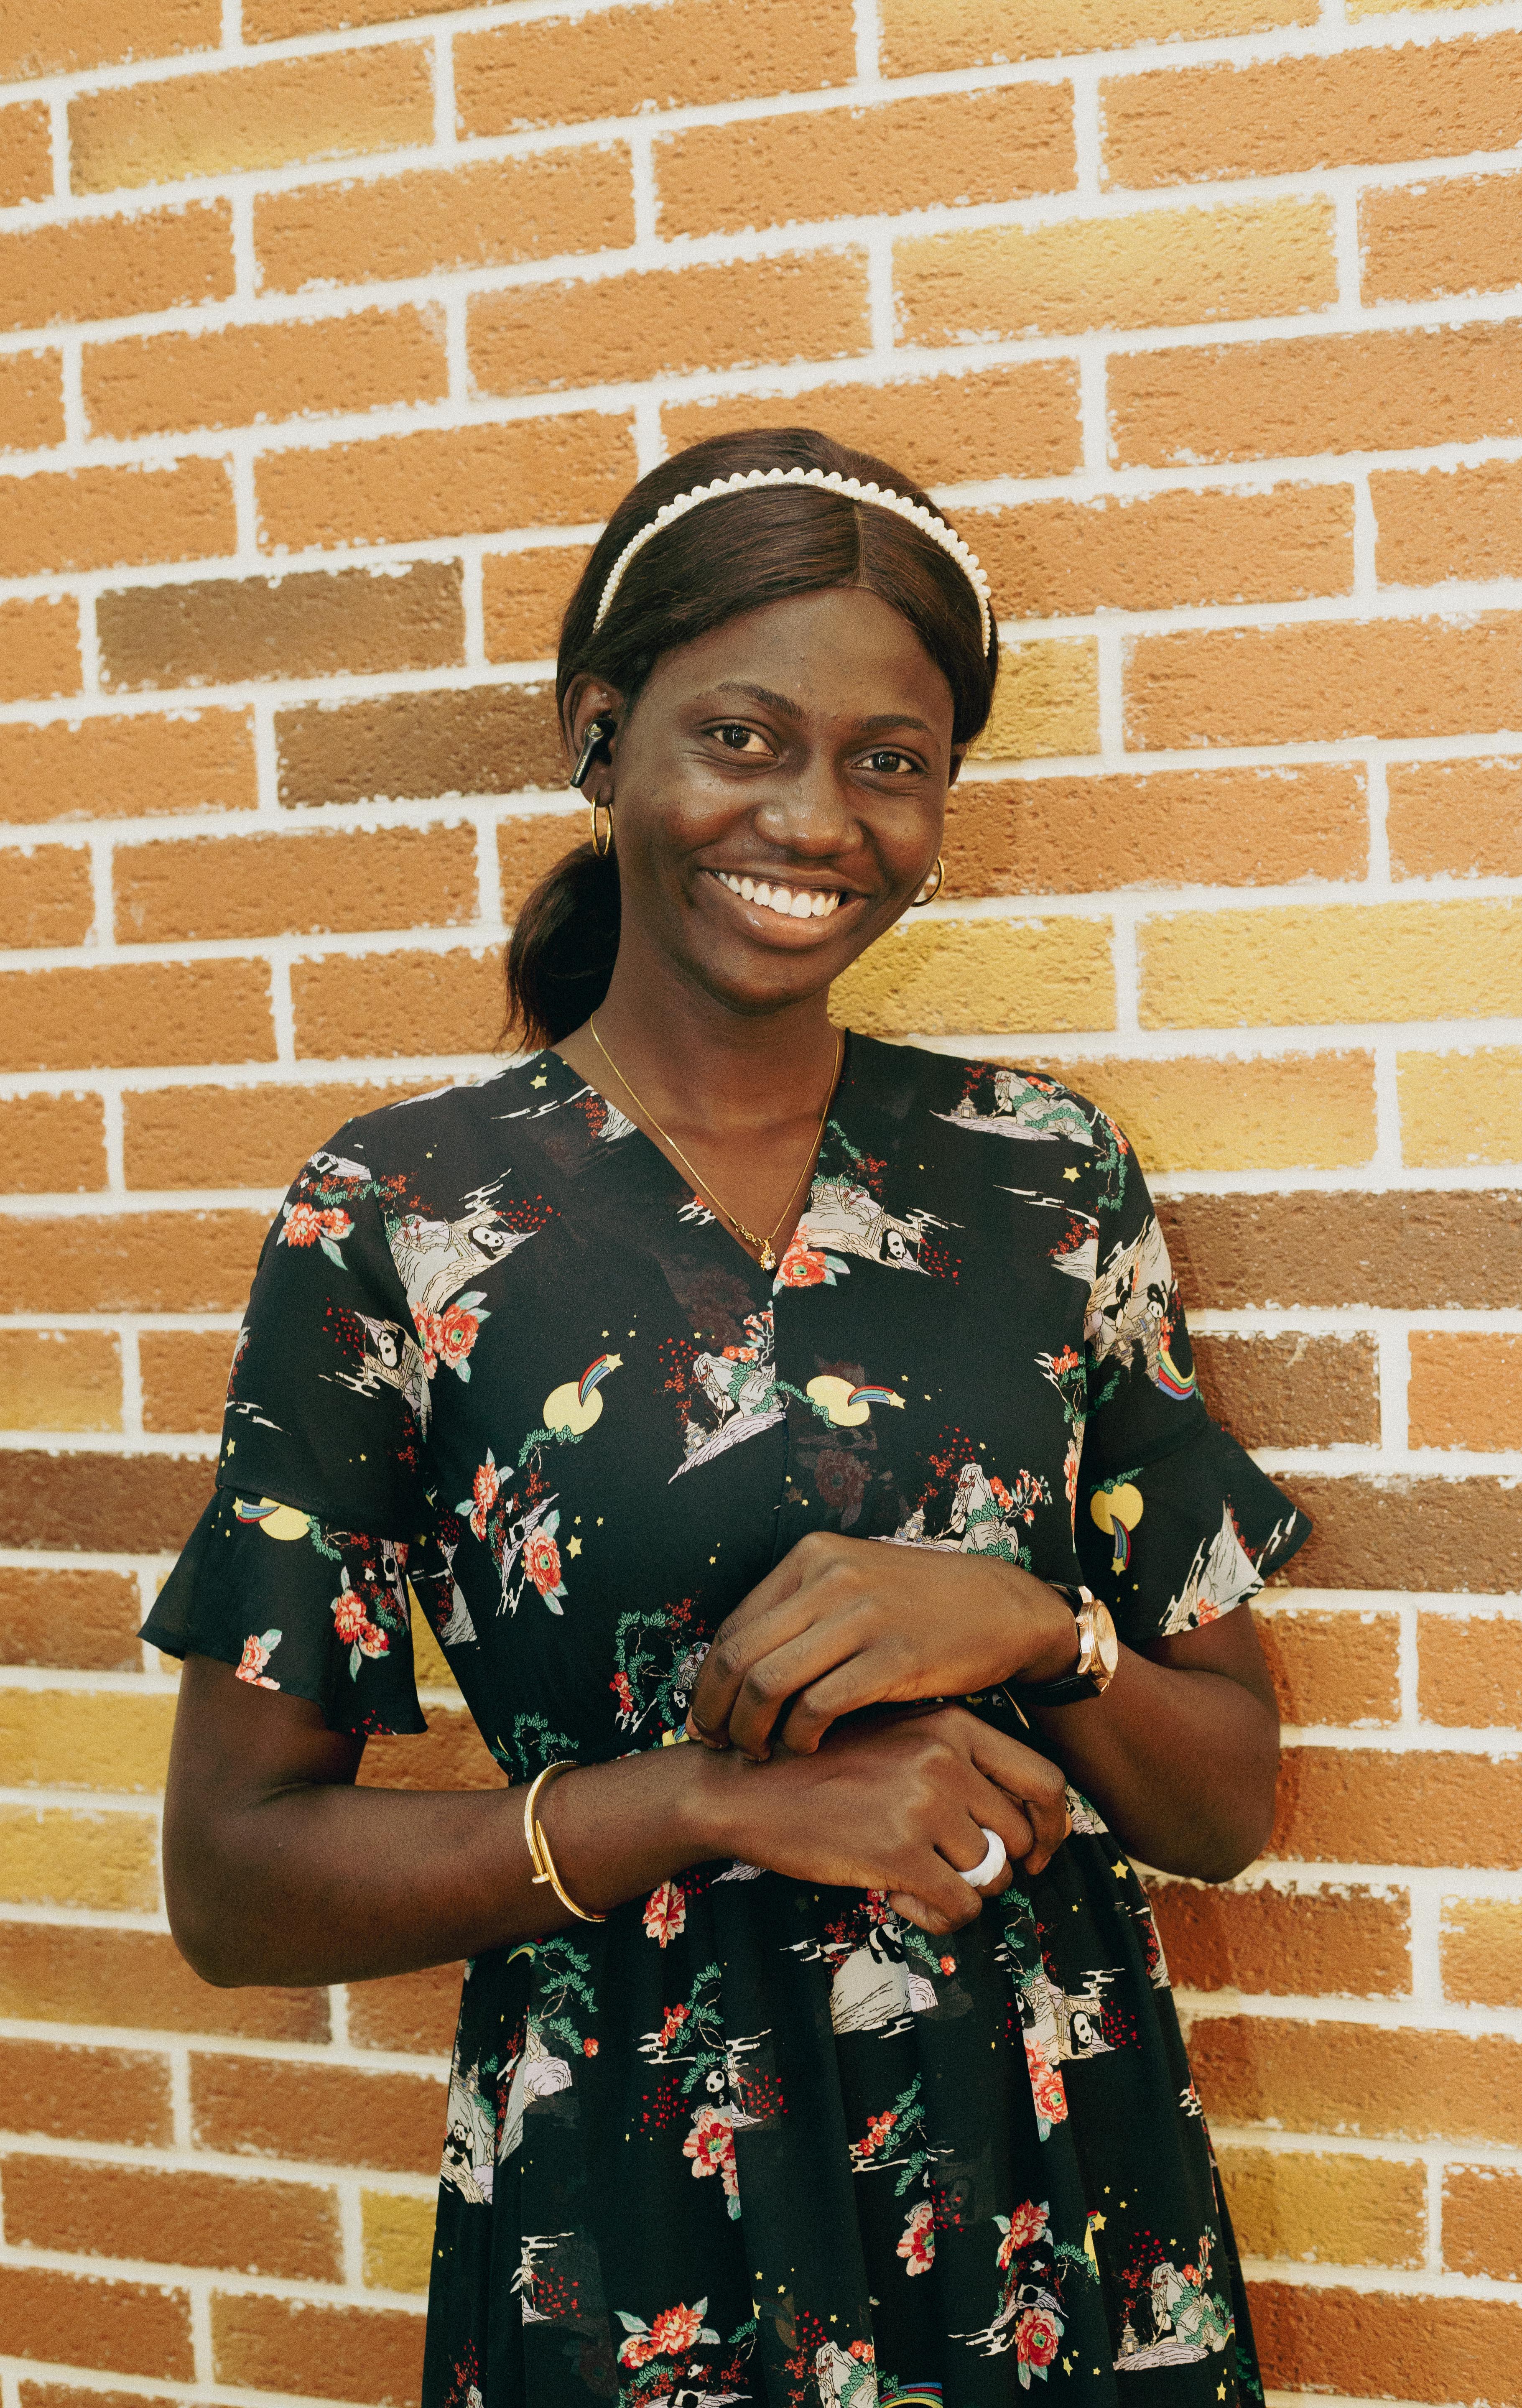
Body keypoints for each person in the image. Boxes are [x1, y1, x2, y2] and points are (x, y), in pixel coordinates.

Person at [148, 426, 1310, 2408]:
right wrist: (710, 1800)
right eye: (744, 737)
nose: (818, 817)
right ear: (602, 739)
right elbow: (235, 1883)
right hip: (635, 2237)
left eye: (891, 760)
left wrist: (1041, 1625)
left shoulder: (1046, 1177)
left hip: (1059, 2209)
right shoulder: (403, 1218)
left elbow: (1221, 1805)